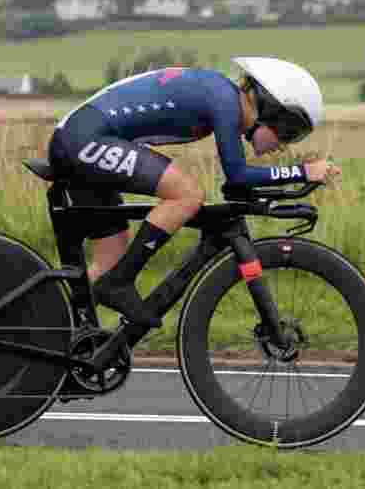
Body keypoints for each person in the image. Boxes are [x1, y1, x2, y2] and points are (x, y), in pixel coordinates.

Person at [47, 57, 341, 329]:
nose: (285, 144)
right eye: (289, 131)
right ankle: (120, 284)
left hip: (80, 139)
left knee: (108, 264)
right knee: (187, 194)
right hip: (83, 140)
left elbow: (236, 186)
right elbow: (237, 175)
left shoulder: (220, 94)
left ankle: (51, 328)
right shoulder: (224, 100)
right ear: (269, 107)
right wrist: (302, 171)